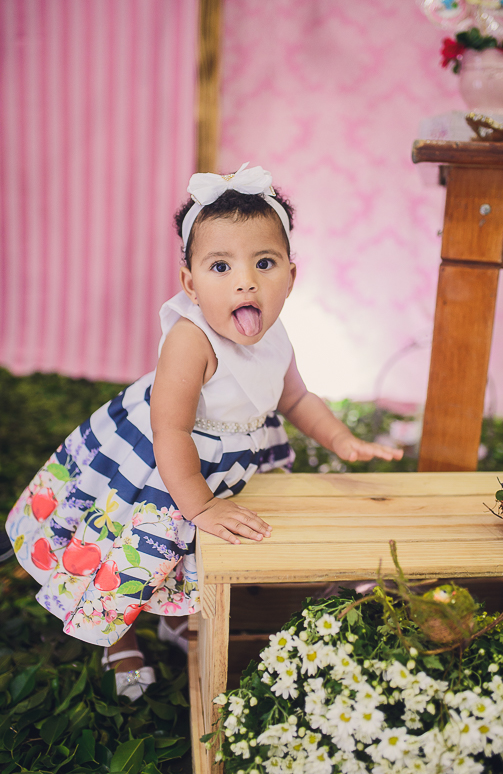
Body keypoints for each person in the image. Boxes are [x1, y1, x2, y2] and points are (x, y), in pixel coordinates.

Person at [6, 163, 402, 700]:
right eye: (221, 266)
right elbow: (169, 431)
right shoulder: (190, 341)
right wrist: (200, 505)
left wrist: (338, 438)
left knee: (191, 554)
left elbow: (296, 398)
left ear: (292, 274)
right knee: (131, 546)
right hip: (159, 465)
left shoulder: (276, 334)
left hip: (230, 456)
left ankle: (174, 618)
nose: (246, 281)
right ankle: (119, 636)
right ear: (190, 283)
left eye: (264, 263)